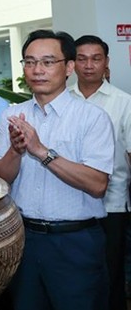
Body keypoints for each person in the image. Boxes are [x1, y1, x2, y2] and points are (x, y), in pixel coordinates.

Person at [0, 29, 113, 310]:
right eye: (29, 62)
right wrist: (16, 151)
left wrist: (41, 151)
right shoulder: (11, 115)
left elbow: (97, 184)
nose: (37, 70)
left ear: (68, 67)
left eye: (47, 62)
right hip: (23, 239)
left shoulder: (92, 118)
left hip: (75, 242)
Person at [70, 35, 131, 310]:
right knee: (76, 276)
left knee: (111, 274)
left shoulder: (124, 103)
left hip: (112, 205)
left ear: (106, 62)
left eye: (96, 59)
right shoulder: (62, 100)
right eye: (81, 59)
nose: (89, 65)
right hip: (70, 206)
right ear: (72, 64)